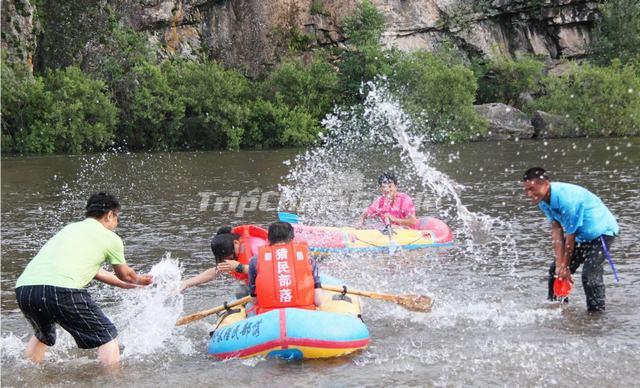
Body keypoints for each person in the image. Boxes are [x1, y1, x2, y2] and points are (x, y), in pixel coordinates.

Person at [14, 192, 153, 366]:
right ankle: (112, 380)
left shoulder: (70, 229)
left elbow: (96, 271)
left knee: (44, 335)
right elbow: (126, 274)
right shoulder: (111, 238)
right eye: (118, 218)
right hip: (61, 289)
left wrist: (128, 285)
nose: (117, 223)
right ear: (110, 215)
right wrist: (141, 280)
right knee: (107, 334)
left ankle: (29, 376)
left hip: (25, 290)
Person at [522, 167, 619, 312]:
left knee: (589, 275)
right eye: (526, 190)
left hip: (602, 233)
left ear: (545, 184)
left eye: (532, 189)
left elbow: (570, 237)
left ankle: (596, 315)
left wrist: (566, 266)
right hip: (581, 235)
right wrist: (560, 265)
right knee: (555, 270)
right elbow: (556, 229)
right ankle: (557, 309)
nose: (529, 194)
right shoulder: (543, 199)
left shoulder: (567, 200)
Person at [248, 222, 323, 314]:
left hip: (269, 315)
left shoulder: (255, 260)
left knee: (249, 306)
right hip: (304, 313)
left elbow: (254, 299)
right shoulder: (308, 258)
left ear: (268, 239)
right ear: (292, 239)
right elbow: (318, 301)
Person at [179, 225, 267, 297]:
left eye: (230, 257)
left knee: (244, 291)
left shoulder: (257, 246)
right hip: (254, 287)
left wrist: (240, 267)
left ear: (236, 243)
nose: (229, 261)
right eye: (226, 259)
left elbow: (268, 270)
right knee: (241, 292)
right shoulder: (229, 253)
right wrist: (187, 283)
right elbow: (214, 272)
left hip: (270, 285)